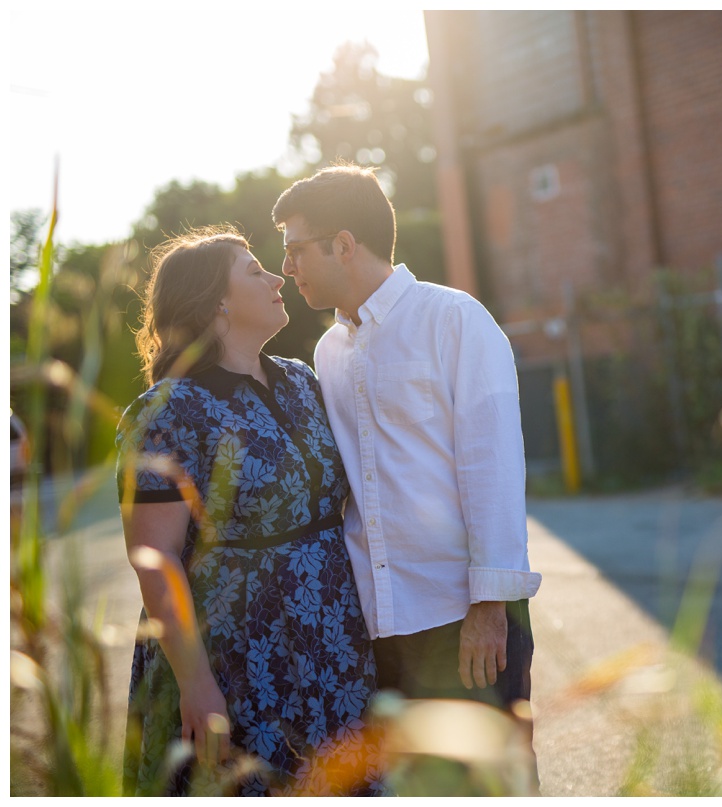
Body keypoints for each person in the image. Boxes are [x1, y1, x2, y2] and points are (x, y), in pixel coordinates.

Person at [271, 165, 541, 788]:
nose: (288, 266)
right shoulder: (327, 352)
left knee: (492, 785)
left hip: (463, 616)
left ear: (343, 244)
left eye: (296, 249)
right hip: (378, 621)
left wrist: (488, 606)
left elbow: (492, 466)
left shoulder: (454, 320)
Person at [115, 226, 380, 796]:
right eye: (255, 271)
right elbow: (154, 555)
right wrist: (196, 682)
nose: (277, 276)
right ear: (218, 302)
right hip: (235, 653)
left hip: (332, 641)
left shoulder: (302, 381)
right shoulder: (166, 410)